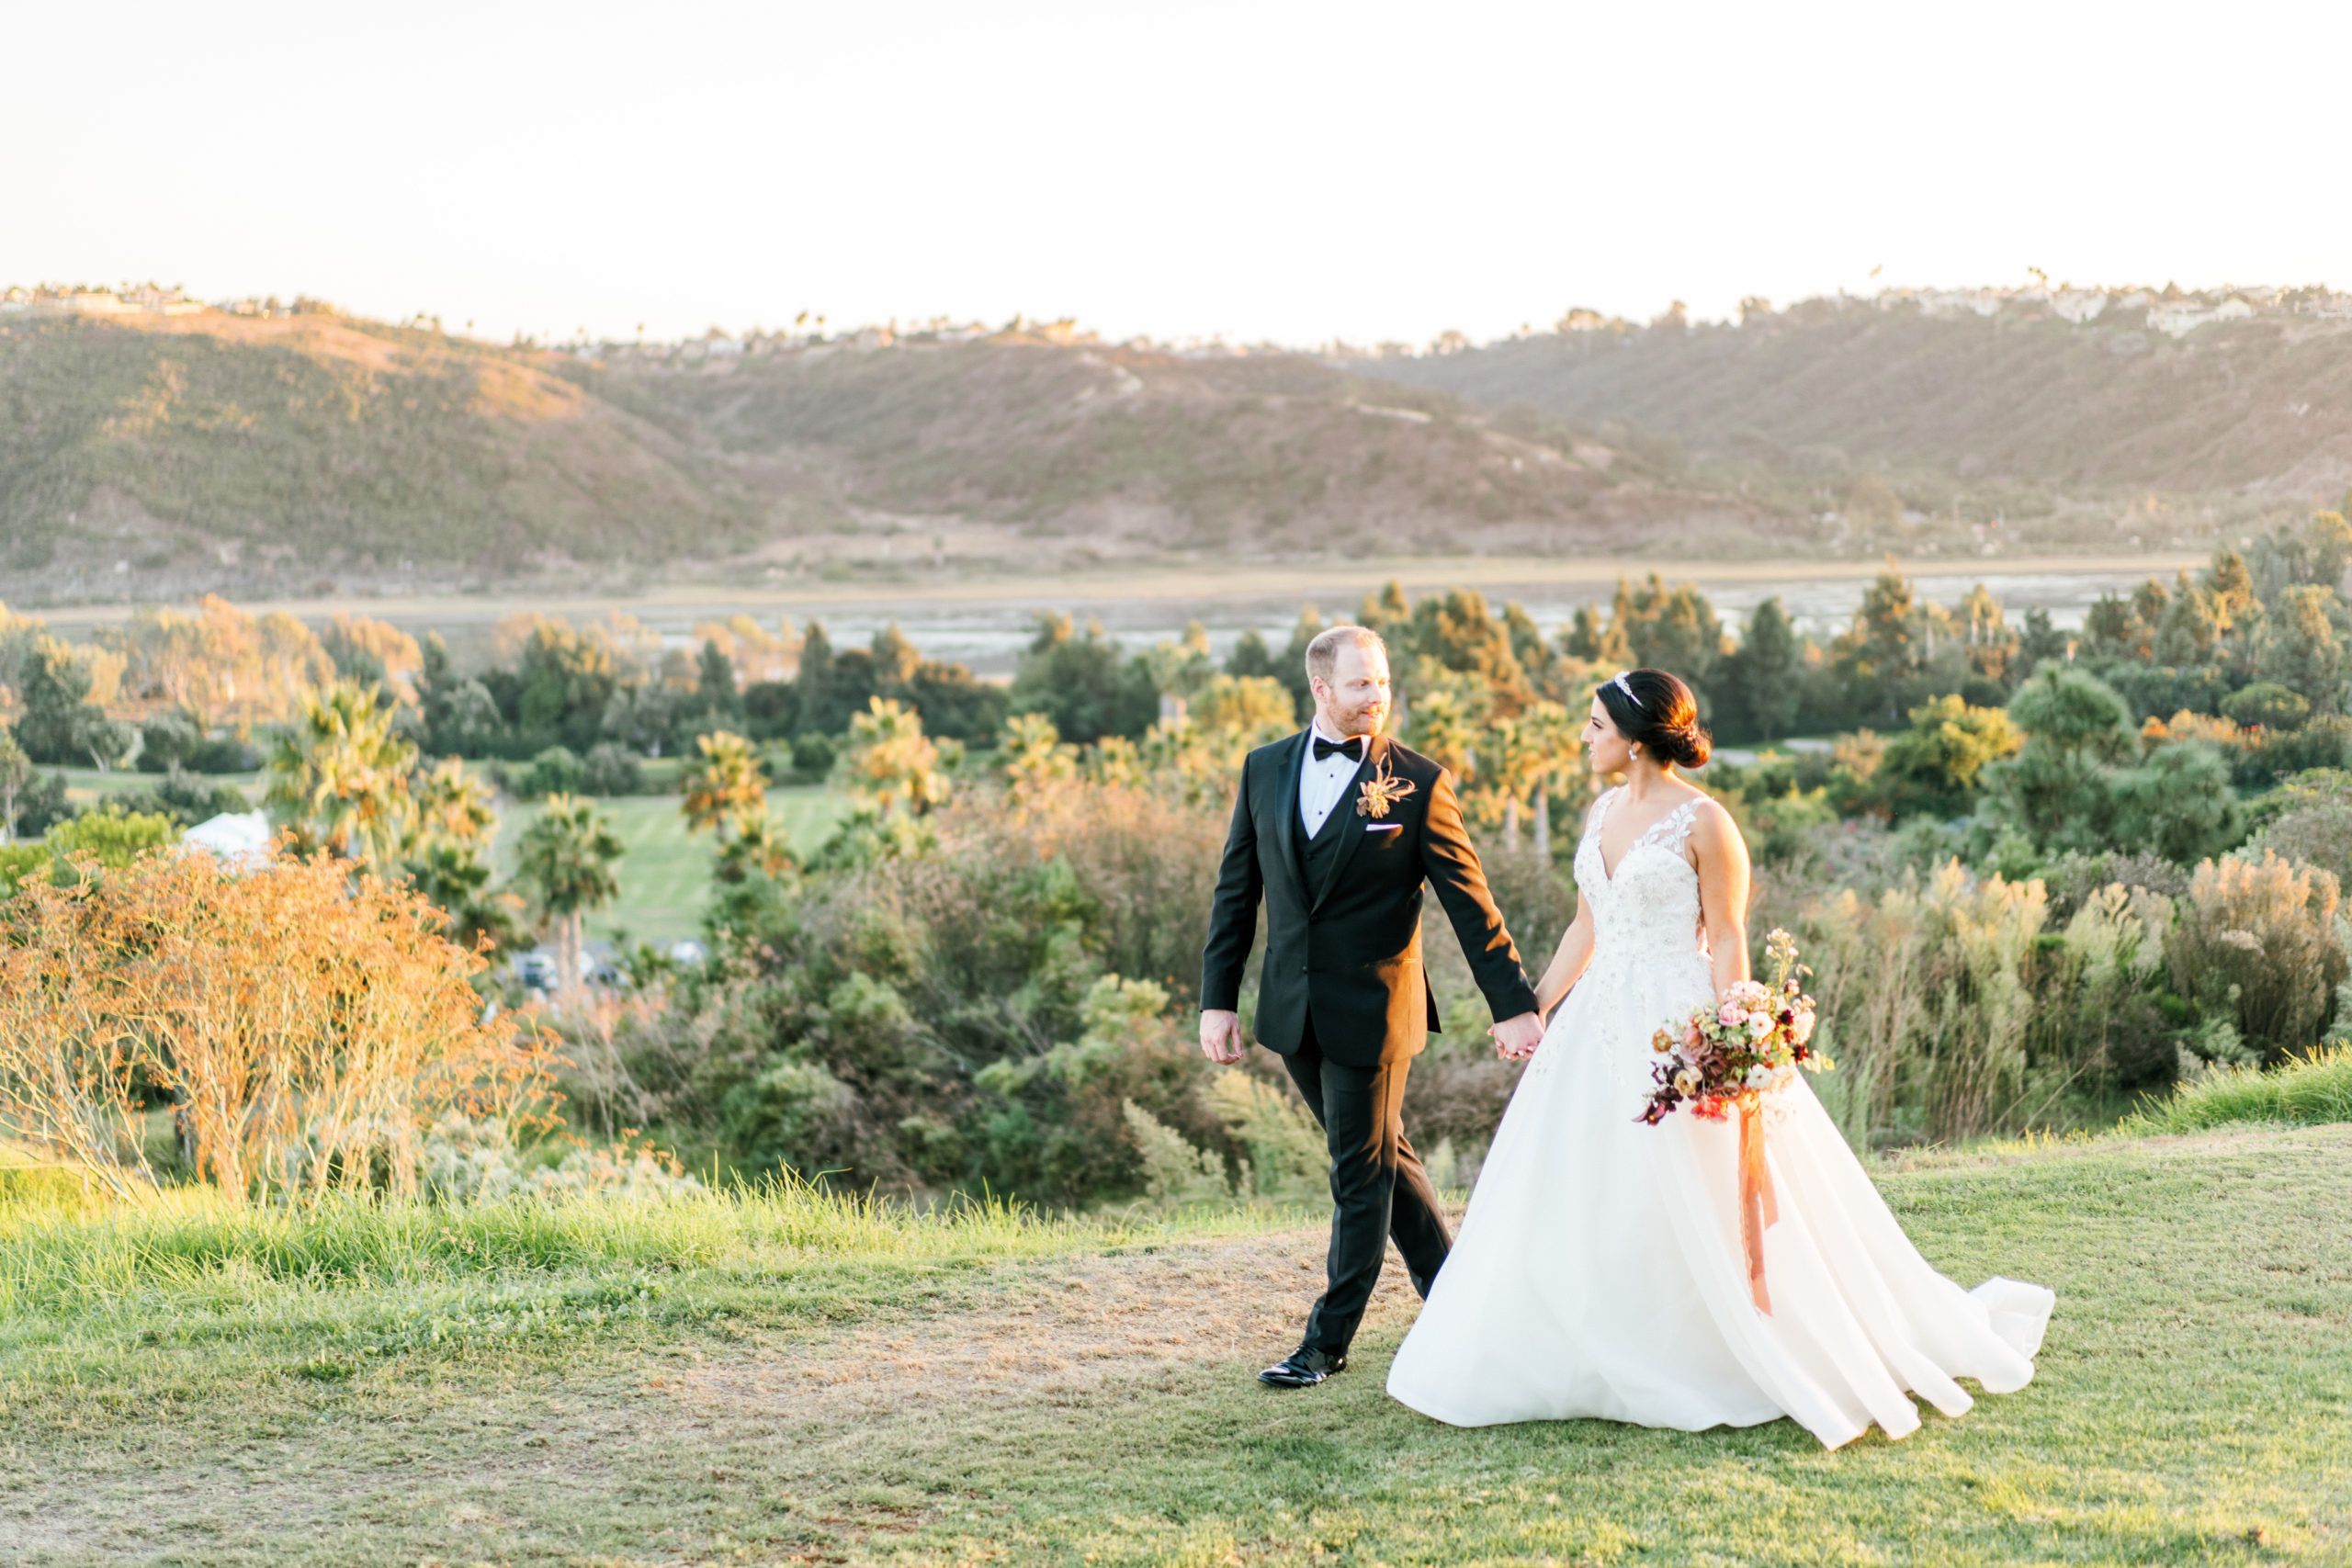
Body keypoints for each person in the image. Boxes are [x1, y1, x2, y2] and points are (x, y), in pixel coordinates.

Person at [1385, 667, 2053, 1449]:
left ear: (1635, 739)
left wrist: (1731, 1042)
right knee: (1587, 1177)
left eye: (1596, 726)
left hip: (1681, 1022)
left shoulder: (1706, 823)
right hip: (1598, 1021)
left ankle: (1714, 1341)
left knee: (1694, 1181)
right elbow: (1584, 927)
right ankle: (1592, 1336)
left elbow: (1730, 935)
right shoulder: (1602, 808)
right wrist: (1537, 1003)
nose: (1584, 737)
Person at [1198, 624, 1544, 1389]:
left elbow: (1469, 900)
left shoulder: (1419, 780)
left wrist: (1512, 1002)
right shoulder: (1263, 769)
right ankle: (1459, 1298)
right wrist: (1215, 1000)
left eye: (1383, 681)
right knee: (1386, 1158)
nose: (1376, 696)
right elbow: (1236, 894)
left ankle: (1327, 1343)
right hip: (1292, 1012)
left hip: (1376, 1011)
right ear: (1321, 688)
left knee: (1357, 1173)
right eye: (1361, 684)